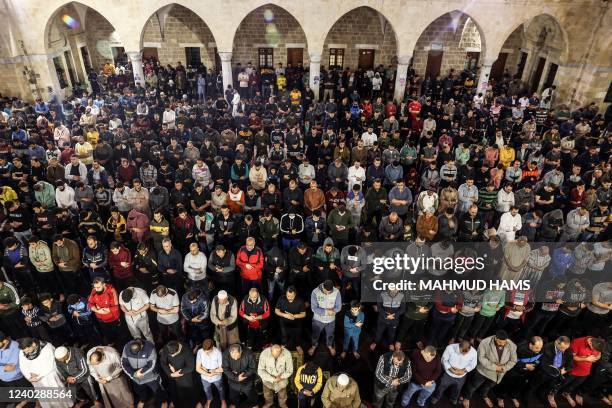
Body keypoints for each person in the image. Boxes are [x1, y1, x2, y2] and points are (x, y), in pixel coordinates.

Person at [461, 330, 517, 408]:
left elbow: (513, 360)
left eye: (505, 342)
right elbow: (481, 358)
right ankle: (467, 398)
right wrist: (495, 367)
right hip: (483, 371)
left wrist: (504, 368)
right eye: (500, 342)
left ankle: (483, 395)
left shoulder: (512, 345)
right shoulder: (485, 342)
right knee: (473, 385)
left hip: (498, 373)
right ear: (495, 338)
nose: (503, 344)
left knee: (488, 387)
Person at [18, 337, 73, 408]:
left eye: (28, 350)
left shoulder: (47, 347)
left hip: (49, 376)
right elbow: (22, 365)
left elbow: (51, 365)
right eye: (24, 351)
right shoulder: (22, 351)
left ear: (33, 344)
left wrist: (38, 376)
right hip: (35, 380)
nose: (26, 352)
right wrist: (28, 376)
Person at [121, 338, 167, 408]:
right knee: (140, 390)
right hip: (136, 377)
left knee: (157, 390)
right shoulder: (126, 347)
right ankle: (143, 400)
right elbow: (124, 363)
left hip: (150, 376)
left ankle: (164, 401)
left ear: (141, 346)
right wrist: (133, 374)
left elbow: (151, 364)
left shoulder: (150, 347)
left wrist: (141, 372)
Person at [431, 340, 477, 406]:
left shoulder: (474, 352)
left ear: (469, 348)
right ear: (459, 346)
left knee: (457, 389)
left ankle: (453, 399)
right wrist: (452, 370)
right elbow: (444, 360)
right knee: (441, 387)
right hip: (448, 374)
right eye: (461, 352)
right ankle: (436, 397)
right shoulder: (450, 348)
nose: (462, 354)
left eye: (465, 353)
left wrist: (463, 371)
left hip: (461, 376)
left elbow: (473, 364)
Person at [159, 340, 200, 407]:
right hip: (172, 373)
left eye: (173, 354)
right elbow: (163, 362)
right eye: (170, 355)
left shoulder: (187, 351)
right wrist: (170, 374)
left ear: (178, 350)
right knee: (173, 390)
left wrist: (179, 372)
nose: (171, 356)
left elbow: (191, 367)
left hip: (185, 375)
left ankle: (195, 403)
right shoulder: (167, 347)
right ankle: (174, 402)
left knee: (189, 391)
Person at [87, 277, 124, 346]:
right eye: (95, 287)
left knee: (119, 335)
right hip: (101, 319)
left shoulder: (111, 291)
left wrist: (107, 310)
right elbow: (89, 303)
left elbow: (116, 307)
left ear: (104, 284)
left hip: (114, 319)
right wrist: (97, 310)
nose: (96, 289)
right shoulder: (94, 291)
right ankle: (111, 344)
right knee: (107, 334)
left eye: (98, 287)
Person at [309, 279, 342, 356]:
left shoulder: (336, 292)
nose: (328, 293)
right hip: (318, 319)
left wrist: (334, 311)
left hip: (331, 320)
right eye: (326, 292)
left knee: (330, 334)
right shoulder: (315, 292)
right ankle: (314, 346)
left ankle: (329, 346)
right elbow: (314, 308)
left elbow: (338, 307)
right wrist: (327, 312)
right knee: (315, 334)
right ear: (323, 287)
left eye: (330, 292)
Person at [258, 343, 294, 408]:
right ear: (271, 350)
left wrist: (281, 377)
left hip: (281, 379)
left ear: (281, 351)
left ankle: (282, 403)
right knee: (267, 394)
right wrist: (272, 378)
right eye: (274, 355)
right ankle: (268, 402)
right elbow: (260, 370)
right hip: (268, 379)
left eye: (277, 355)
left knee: (282, 394)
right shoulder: (264, 354)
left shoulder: (287, 353)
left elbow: (289, 370)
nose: (275, 357)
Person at [222, 343, 257, 408]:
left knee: (251, 394)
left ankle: (254, 404)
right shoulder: (225, 354)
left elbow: (253, 367)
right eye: (233, 357)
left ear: (241, 352)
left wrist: (244, 375)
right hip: (233, 379)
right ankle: (234, 403)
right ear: (230, 352)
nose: (235, 359)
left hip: (247, 379)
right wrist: (236, 378)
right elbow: (225, 369)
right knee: (233, 394)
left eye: (237, 356)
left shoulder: (249, 353)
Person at [196, 339, 226, 408]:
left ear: (213, 347)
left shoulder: (218, 352)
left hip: (217, 377)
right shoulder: (200, 352)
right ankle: (209, 399)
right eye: (205, 351)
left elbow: (222, 369)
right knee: (206, 390)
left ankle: (223, 400)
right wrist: (208, 374)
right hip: (205, 377)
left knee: (220, 389)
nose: (206, 353)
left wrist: (211, 371)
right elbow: (198, 368)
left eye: (208, 352)